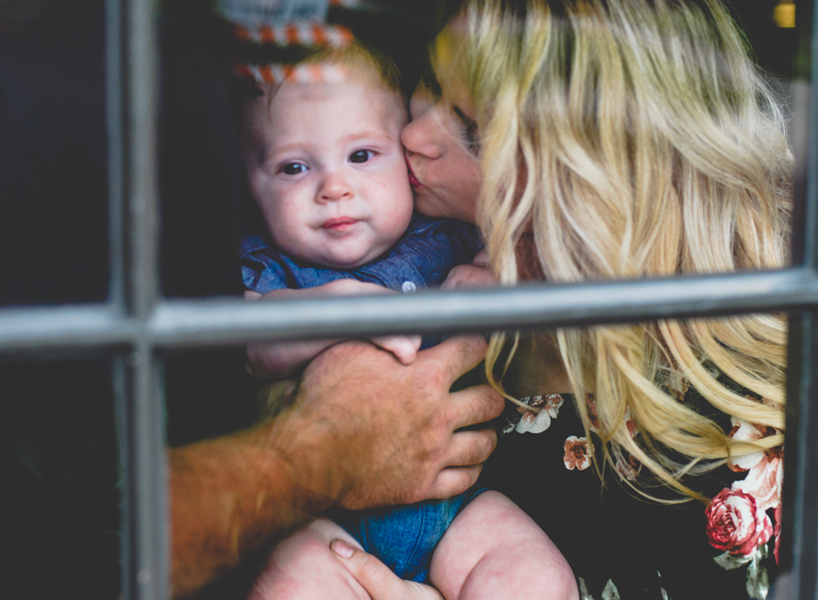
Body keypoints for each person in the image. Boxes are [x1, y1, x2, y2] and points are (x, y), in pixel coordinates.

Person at [323, 0, 818, 600]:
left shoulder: (730, 445)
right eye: (426, 83)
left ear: (590, 184)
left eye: (472, 128)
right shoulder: (422, 256)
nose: (411, 133)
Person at [232, 43, 575, 598]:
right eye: (293, 167)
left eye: (363, 155)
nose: (334, 187)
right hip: (318, 524)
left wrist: (495, 276)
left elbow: (538, 265)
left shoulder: (448, 234)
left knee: (535, 577)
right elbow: (249, 344)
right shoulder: (265, 266)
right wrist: (335, 308)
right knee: (287, 584)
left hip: (455, 510)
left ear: (403, 158)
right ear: (250, 185)